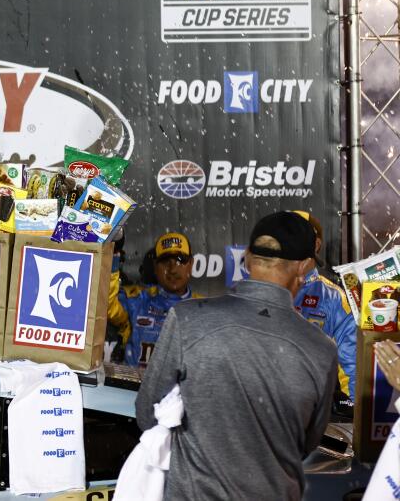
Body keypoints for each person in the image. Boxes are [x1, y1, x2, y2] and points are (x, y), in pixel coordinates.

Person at [136, 211, 337, 500]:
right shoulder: (321, 349)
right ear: (303, 267)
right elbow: (306, 442)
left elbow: (148, 412)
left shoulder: (187, 319)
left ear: (247, 258)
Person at [291, 210, 357, 399]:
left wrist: (354, 416)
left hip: (310, 409)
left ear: (316, 244)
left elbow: (351, 366)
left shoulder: (334, 298)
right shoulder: (259, 290)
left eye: (295, 235)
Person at [108, 232, 200, 368]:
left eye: (180, 260)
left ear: (191, 264)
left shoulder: (204, 309)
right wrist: (113, 256)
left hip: (185, 389)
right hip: (134, 388)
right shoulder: (137, 300)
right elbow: (108, 305)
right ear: (155, 267)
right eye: (165, 261)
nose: (173, 269)